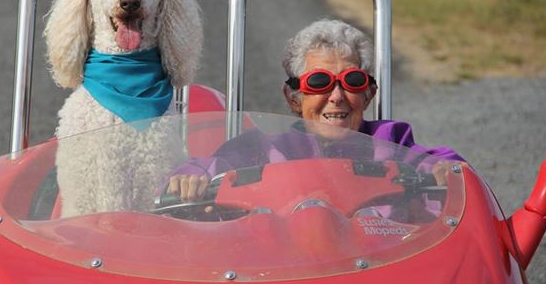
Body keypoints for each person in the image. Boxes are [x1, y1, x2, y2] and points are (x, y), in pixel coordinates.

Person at [167, 19, 465, 202]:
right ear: (294, 98)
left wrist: (444, 170)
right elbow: (208, 166)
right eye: (320, 82)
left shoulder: (390, 142)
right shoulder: (261, 149)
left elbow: (445, 163)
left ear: (369, 93)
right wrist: (192, 175)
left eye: (352, 81)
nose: (336, 97)